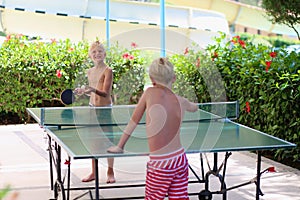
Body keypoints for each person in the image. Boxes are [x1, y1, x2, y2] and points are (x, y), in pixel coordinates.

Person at [107, 57, 198, 199]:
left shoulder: (149, 93)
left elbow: (133, 121)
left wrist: (120, 146)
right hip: (179, 158)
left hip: (160, 163)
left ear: (151, 78)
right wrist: (188, 103)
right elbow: (195, 108)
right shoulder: (181, 100)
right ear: (173, 78)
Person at [75, 41, 115, 184]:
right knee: (94, 141)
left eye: (100, 51)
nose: (97, 54)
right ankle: (94, 172)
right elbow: (91, 93)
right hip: (93, 108)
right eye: (94, 52)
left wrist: (91, 89)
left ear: (105, 54)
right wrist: (83, 92)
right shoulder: (90, 72)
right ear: (90, 56)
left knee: (108, 141)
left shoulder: (108, 71)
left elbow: (105, 93)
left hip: (104, 110)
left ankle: (110, 171)